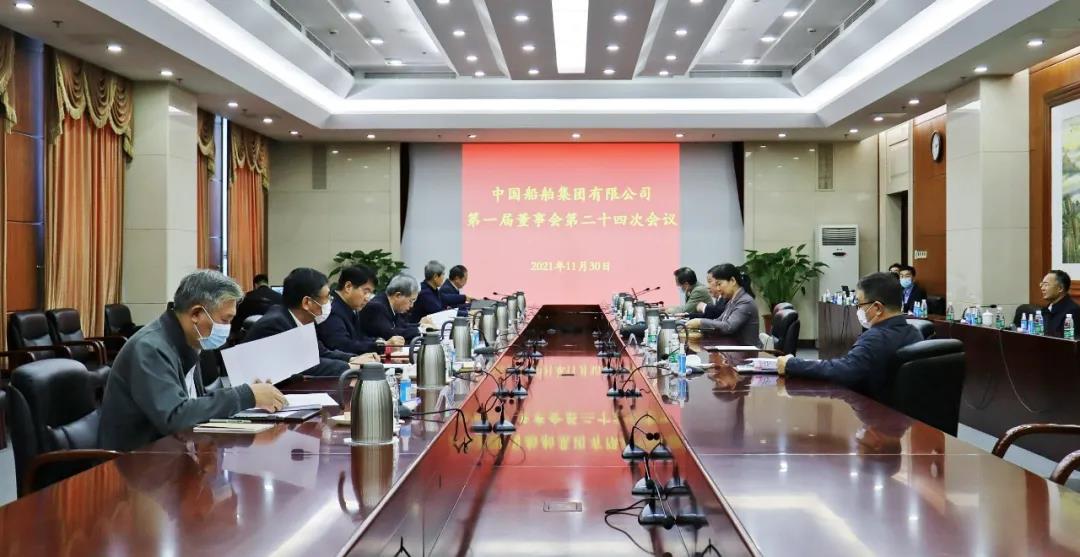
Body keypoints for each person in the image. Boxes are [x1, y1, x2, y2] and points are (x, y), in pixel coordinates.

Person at [98, 270, 286, 451]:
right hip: (136, 460)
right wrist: (246, 396)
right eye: (225, 320)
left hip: (175, 451)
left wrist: (250, 393)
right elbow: (175, 417)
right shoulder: (150, 348)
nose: (227, 329)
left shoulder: (189, 340)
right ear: (196, 314)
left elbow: (193, 403)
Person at [777, 272, 924, 401]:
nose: (858, 310)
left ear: (877, 308)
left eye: (859, 304)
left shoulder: (875, 338)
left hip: (875, 412)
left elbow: (844, 370)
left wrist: (792, 364)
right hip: (902, 415)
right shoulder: (915, 333)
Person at [243, 267, 376, 376]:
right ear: (307, 302)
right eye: (326, 297)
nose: (330, 302)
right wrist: (349, 366)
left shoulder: (302, 320)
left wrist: (353, 359)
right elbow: (303, 365)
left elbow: (321, 352)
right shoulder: (276, 324)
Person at [317, 265, 402, 355]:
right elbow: (342, 346)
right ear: (348, 287)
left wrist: (380, 342)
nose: (368, 298)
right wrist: (382, 346)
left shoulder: (350, 307)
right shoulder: (331, 309)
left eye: (370, 293)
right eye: (366, 292)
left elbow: (359, 338)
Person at [686, 264, 760, 347]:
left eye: (719, 284)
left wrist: (700, 322)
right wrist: (697, 326)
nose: (718, 289)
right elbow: (718, 321)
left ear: (732, 281)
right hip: (732, 349)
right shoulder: (732, 301)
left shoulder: (745, 301)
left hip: (746, 352)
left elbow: (728, 326)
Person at [360, 274, 426, 342]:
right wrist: (420, 330)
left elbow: (402, 326)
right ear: (398, 295)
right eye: (411, 301)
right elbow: (391, 334)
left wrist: (422, 326)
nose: (411, 305)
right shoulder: (376, 307)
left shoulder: (393, 306)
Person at [231, 273, 282, 338]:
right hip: (273, 336)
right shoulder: (279, 297)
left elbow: (236, 321)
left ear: (255, 285)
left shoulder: (246, 297)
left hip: (248, 337)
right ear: (267, 283)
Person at [1041, 269, 1080, 338]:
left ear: (1060, 288)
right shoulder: (1047, 309)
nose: (1042, 288)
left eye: (1046, 285)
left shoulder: (1073, 311)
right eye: (1042, 284)